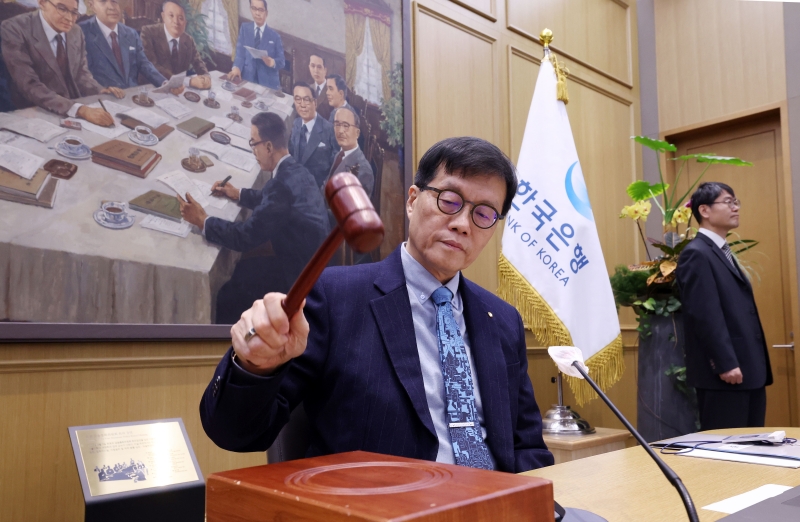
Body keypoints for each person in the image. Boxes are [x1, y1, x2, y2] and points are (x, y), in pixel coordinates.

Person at [200, 136, 554, 473]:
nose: (463, 224)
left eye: (484, 214)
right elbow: (237, 432)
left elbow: (527, 448)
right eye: (449, 200)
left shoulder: (503, 319)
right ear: (413, 200)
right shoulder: (336, 296)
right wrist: (254, 367)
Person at [178, 112, 328, 325]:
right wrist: (238, 193)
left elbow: (245, 236)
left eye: (253, 143)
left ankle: (231, 351)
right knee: (240, 270)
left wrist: (203, 220)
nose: (253, 151)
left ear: (268, 147)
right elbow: (274, 202)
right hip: (309, 263)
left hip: (297, 278)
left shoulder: (280, 185)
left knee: (227, 294)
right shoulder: (295, 170)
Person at [677, 182, 772, 430]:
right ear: (705, 211)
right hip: (725, 375)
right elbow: (704, 314)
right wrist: (725, 363)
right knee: (726, 450)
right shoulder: (697, 253)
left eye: (736, 202)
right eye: (728, 202)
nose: (735, 208)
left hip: (748, 370)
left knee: (753, 446)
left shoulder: (720, 251)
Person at [0, 0, 124, 124]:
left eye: (74, 12)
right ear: (42, 3)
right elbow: (28, 84)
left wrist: (99, 90)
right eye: (62, 8)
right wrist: (79, 110)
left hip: (74, 111)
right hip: (34, 113)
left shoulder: (76, 31)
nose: (69, 18)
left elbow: (81, 74)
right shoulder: (14, 28)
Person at [79, 0, 171, 90]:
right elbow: (80, 75)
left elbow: (143, 64)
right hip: (101, 98)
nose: (112, 7)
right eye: (103, 1)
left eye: (114, 1)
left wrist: (164, 82)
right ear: (92, 6)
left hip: (132, 97)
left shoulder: (131, 33)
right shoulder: (80, 32)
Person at [140, 0, 211, 89]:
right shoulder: (148, 32)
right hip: (151, 88)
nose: (176, 21)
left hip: (178, 92)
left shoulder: (188, 40)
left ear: (185, 22)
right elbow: (152, 66)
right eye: (171, 16)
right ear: (163, 16)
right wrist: (188, 81)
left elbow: (198, 63)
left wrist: (206, 76)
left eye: (181, 18)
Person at [288, 82, 338, 188]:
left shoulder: (330, 130)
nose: (302, 105)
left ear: (314, 102)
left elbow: (336, 168)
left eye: (306, 99)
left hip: (317, 190)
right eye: (298, 99)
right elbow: (291, 155)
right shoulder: (296, 124)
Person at [227, 0, 284, 90]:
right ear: (250, 9)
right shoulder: (245, 28)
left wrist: (272, 62)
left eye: (261, 10)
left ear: (266, 13)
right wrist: (237, 68)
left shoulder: (275, 36)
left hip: (268, 84)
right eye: (254, 9)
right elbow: (240, 54)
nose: (257, 13)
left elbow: (282, 62)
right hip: (247, 80)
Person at [323, 106, 373, 197]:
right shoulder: (339, 155)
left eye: (346, 126)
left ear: (357, 133)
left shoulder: (364, 171)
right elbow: (326, 185)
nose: (340, 131)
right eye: (337, 124)